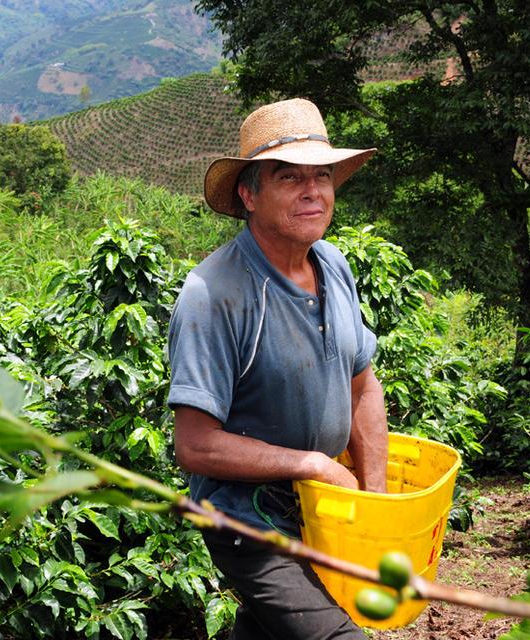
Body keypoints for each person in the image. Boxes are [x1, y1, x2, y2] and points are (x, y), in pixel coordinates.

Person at [167, 98, 389, 639]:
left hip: (322, 511)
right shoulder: (214, 294)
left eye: (323, 176)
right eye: (290, 177)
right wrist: (311, 462)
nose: (313, 191)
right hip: (249, 521)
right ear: (249, 193)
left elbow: (363, 387)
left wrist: (376, 504)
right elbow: (194, 445)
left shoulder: (333, 265)